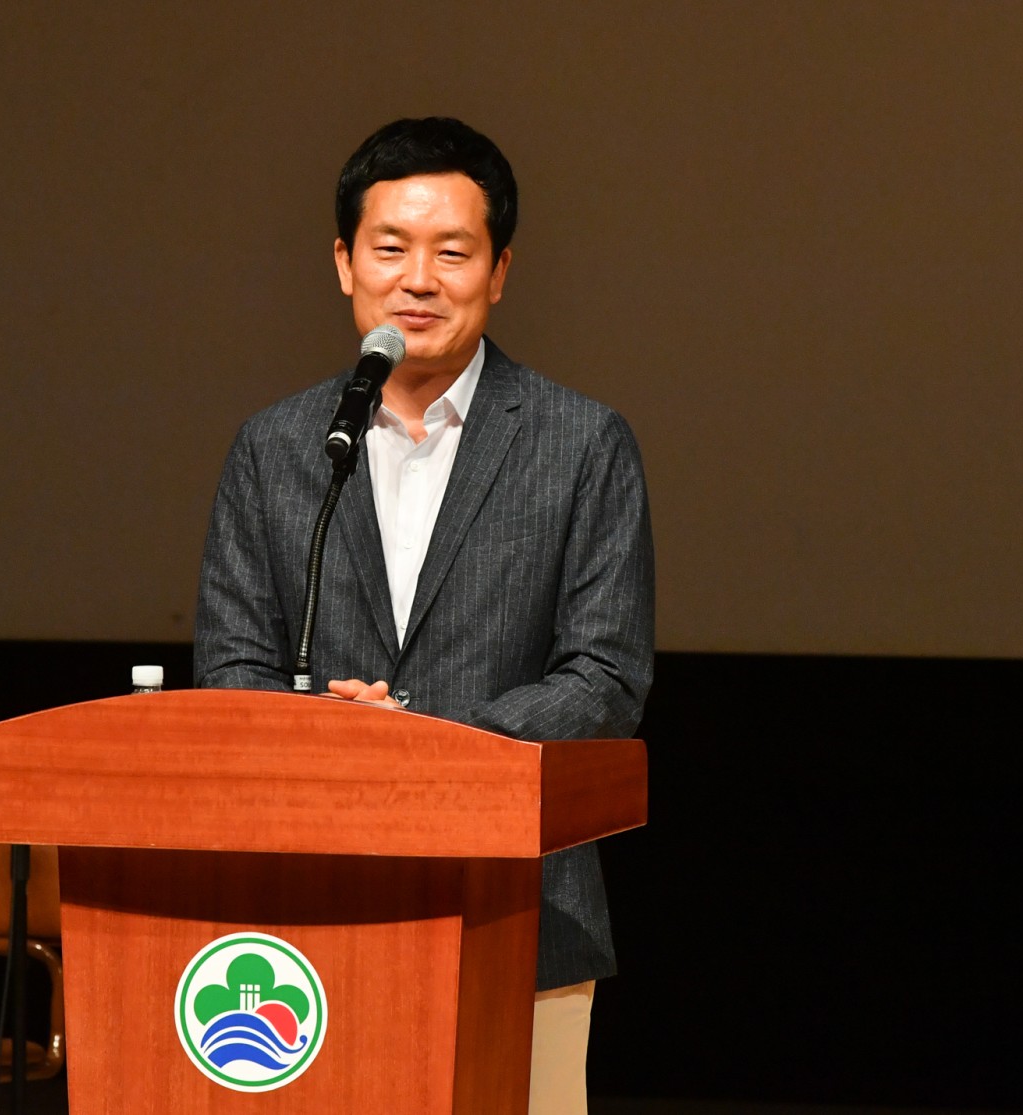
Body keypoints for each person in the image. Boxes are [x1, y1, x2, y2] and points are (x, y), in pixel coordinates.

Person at [193, 116, 654, 1114]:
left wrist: (420, 742)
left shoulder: (581, 444)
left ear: (500, 271)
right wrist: (334, 737)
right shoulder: (275, 447)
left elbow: (606, 679)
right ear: (343, 262)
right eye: (390, 248)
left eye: (453, 252)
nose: (418, 280)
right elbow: (230, 670)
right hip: (309, 919)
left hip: (521, 914)